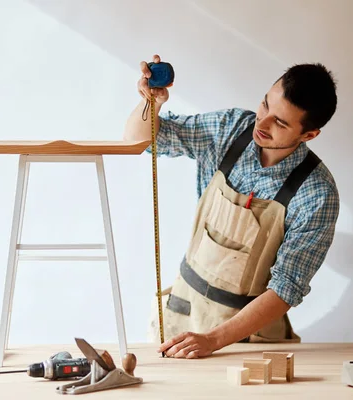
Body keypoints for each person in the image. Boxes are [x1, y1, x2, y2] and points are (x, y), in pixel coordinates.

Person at [123, 54, 340, 359]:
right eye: (265, 105)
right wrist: (152, 102)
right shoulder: (230, 128)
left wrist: (212, 340)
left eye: (279, 122)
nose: (261, 123)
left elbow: (285, 290)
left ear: (309, 134)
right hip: (182, 315)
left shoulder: (317, 194)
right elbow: (140, 141)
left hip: (249, 341)